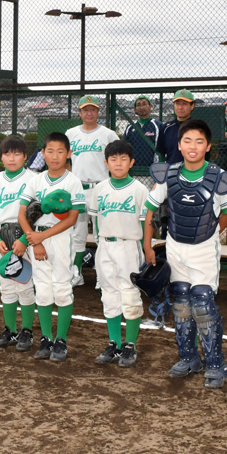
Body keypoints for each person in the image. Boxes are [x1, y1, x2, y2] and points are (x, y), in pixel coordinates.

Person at [144, 119, 227, 389]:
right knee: (181, 303)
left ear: (208, 146)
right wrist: (147, 245)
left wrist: (210, 229)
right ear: (179, 145)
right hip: (175, 246)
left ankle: (215, 364)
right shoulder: (169, 174)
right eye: (187, 141)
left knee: (203, 304)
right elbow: (150, 208)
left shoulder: (218, 176)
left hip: (204, 249)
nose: (193, 146)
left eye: (199, 141)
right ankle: (188, 358)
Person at [18, 132, 85, 362]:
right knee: (43, 290)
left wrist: (41, 237)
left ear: (68, 154)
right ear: (42, 153)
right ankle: (46, 338)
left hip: (61, 238)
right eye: (50, 151)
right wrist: (34, 240)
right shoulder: (36, 181)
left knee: (62, 290)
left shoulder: (72, 181)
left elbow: (72, 218)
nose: (55, 156)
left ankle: (61, 340)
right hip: (36, 238)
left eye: (60, 151)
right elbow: (22, 214)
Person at [90, 140, 149, 367]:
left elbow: (145, 223)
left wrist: (145, 250)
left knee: (130, 295)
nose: (118, 163)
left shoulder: (139, 189)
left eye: (123, 159)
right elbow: (96, 222)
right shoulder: (100, 188)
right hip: (105, 246)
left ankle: (130, 344)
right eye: (113, 159)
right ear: (106, 163)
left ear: (132, 162)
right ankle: (114, 343)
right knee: (109, 295)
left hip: (129, 246)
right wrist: (100, 245)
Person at [0, 136, 37, 351]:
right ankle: (10, 330)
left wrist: (23, 240)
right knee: (6, 286)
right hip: (2, 238)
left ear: (25, 157)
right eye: (7, 153)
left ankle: (27, 331)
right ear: (1, 157)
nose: (11, 158)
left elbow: (36, 212)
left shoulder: (33, 179)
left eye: (17, 154)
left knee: (25, 285)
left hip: (25, 236)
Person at [65, 95, 118, 286]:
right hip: (78, 189)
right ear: (79, 112)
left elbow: (117, 160)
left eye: (93, 109)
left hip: (100, 188)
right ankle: (76, 274)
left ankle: (102, 276)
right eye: (85, 109)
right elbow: (66, 161)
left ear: (98, 112)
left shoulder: (108, 134)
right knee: (77, 234)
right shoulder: (71, 133)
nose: (89, 113)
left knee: (100, 234)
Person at [156, 89, 195, 165]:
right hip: (171, 170)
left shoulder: (198, 128)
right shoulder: (165, 128)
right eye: (177, 104)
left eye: (184, 104)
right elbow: (161, 153)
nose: (180, 107)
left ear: (192, 106)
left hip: (193, 171)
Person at [123, 95, 163, 168]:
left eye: (144, 104)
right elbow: (123, 146)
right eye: (138, 105)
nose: (141, 107)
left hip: (153, 169)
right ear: (135, 109)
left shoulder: (158, 125)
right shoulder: (130, 127)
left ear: (150, 106)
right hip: (133, 168)